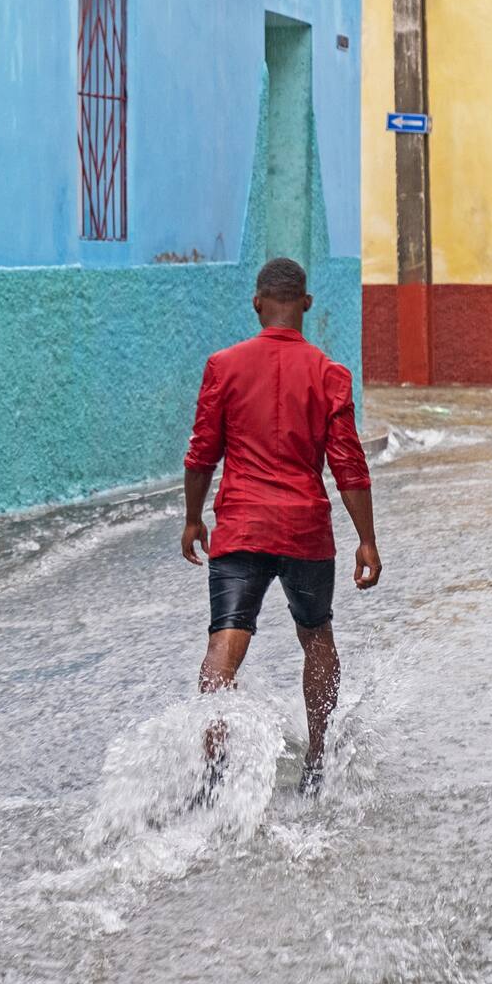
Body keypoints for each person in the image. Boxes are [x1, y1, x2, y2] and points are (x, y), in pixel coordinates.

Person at [182, 257, 381, 797]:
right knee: (316, 635)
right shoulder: (329, 374)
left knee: (226, 638)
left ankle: (213, 768)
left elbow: (202, 453)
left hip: (240, 526)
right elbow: (348, 464)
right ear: (307, 305)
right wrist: (366, 538)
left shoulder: (223, 366)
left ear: (257, 303)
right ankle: (316, 760)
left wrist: (193, 518)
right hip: (304, 530)